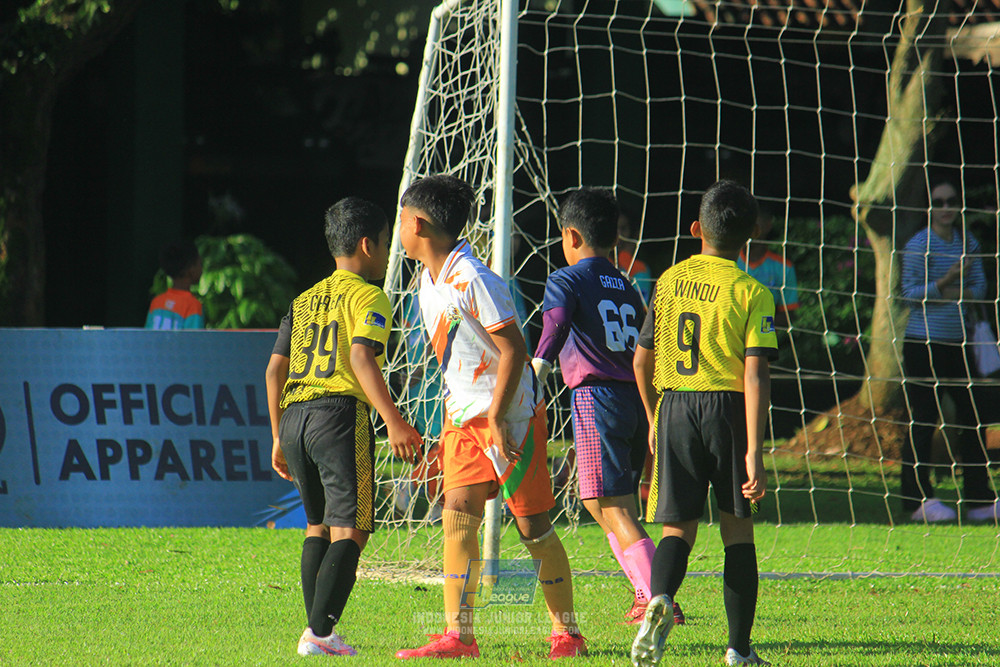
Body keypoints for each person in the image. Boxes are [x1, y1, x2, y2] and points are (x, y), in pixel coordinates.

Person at [395, 174, 587, 659]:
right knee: (457, 513)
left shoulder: (473, 277)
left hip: (512, 417)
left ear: (417, 223)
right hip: (462, 417)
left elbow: (513, 347)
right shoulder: (426, 280)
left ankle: (567, 633)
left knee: (534, 530)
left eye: (400, 219)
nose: (397, 228)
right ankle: (458, 637)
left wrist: (499, 416)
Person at [265, 197, 422, 657]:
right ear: (368, 244)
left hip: (294, 414)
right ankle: (318, 633)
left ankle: (319, 630)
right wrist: (393, 421)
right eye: (387, 243)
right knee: (352, 528)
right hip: (337, 414)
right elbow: (359, 356)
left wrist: (277, 435)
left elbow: (274, 371)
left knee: (317, 525)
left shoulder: (304, 299)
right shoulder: (369, 295)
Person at [631, 180, 776, 667]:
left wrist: (654, 418)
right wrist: (753, 449)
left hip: (674, 405)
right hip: (727, 410)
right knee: (737, 530)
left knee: (677, 529)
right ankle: (738, 649)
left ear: (696, 229)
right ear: (750, 235)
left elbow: (640, 361)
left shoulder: (668, 281)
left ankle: (659, 599)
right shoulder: (752, 290)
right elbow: (754, 372)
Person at [530, 187, 684, 628]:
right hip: (634, 400)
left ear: (571, 235)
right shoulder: (628, 286)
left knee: (610, 505)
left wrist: (534, 377)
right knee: (605, 504)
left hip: (596, 398)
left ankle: (661, 599)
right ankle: (645, 592)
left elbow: (556, 324)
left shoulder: (567, 278)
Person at [899, 180, 999, 523]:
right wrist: (947, 283)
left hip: (960, 343)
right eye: (938, 201)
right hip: (922, 343)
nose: (945, 207)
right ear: (929, 206)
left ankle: (979, 499)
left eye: (951, 200)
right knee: (924, 419)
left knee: (973, 417)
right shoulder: (917, 245)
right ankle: (916, 500)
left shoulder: (967, 241)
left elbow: (980, 289)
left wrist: (953, 289)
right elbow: (909, 294)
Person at [737, 208, 799, 328]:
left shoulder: (783, 267)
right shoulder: (728, 261)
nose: (750, 230)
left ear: (767, 225)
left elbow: (789, 315)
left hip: (763, 341)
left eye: (755, 223)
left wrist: (757, 324)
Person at [145, 239, 205, 329]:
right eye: (199, 263)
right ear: (191, 269)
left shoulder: (156, 302)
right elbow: (194, 342)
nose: (201, 268)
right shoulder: (193, 306)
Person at [617, 209, 655, 304]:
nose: (619, 234)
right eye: (614, 228)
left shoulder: (640, 269)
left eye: (623, 228)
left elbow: (639, 306)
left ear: (633, 232)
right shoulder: (601, 261)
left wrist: (625, 256)